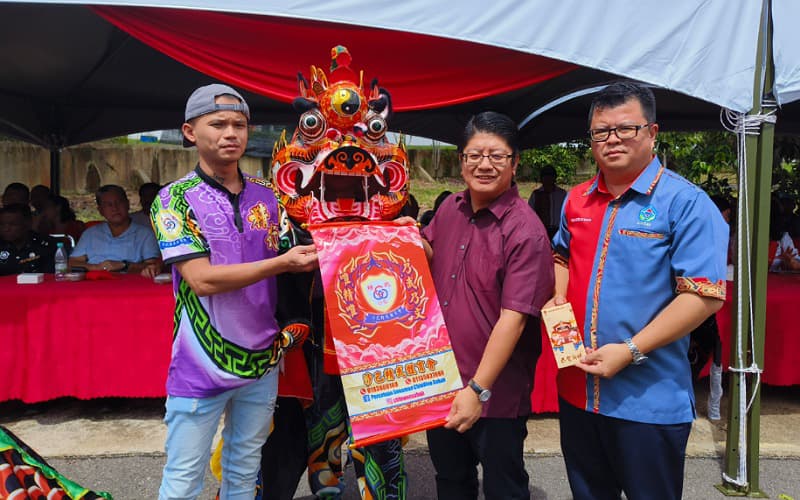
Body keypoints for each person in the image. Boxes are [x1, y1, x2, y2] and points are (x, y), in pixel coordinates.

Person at [548, 81, 728, 500]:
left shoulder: (685, 202)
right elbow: (562, 256)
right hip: (578, 392)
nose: (612, 140)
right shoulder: (576, 200)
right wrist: (558, 299)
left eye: (625, 129)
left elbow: (703, 296)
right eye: (601, 132)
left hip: (648, 399)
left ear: (652, 132)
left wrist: (630, 350)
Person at [151, 83, 318, 499]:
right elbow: (202, 279)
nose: (230, 133)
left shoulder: (270, 195)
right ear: (190, 132)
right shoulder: (173, 200)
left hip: (263, 362)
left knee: (243, 472)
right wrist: (281, 263)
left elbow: (314, 243)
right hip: (199, 366)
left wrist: (389, 231)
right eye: (218, 124)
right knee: (183, 481)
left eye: (239, 125)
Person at [417, 111, 554, 499]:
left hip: (495, 394)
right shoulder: (450, 208)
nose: (484, 165)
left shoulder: (526, 231)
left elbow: (514, 319)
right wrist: (401, 239)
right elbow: (430, 253)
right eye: (475, 155)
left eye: (497, 156)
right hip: (442, 379)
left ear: (515, 163)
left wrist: (477, 389)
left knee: (503, 487)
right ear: (462, 161)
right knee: (451, 480)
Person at [69, 184, 162, 277]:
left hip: (128, 283)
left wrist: (124, 265)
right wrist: (95, 267)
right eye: (108, 205)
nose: (115, 208)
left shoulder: (145, 234)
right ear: (100, 210)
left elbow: (152, 266)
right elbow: (72, 262)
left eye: (119, 202)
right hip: (93, 282)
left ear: (127, 204)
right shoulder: (90, 233)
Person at [0, 204, 56, 275]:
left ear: (28, 223)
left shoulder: (46, 245)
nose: (6, 229)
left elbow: (52, 275)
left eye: (13, 224)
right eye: (2, 224)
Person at [528, 165, 567, 238]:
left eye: (550, 176)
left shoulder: (561, 194)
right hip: (541, 230)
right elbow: (530, 213)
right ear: (541, 178)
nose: (548, 179)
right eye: (545, 176)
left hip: (558, 231)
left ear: (554, 178)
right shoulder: (536, 194)